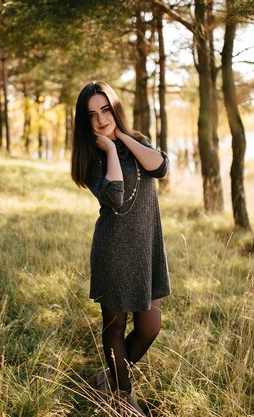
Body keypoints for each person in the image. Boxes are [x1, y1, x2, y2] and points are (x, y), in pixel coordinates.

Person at [71, 81, 170, 416]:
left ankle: (109, 376)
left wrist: (122, 138)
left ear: (115, 108)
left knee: (149, 327)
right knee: (114, 328)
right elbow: (114, 195)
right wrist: (111, 150)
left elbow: (160, 167)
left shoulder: (137, 142)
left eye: (105, 109)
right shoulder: (90, 159)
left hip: (146, 249)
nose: (100, 119)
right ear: (85, 123)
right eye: (92, 115)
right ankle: (123, 399)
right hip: (113, 251)